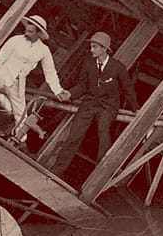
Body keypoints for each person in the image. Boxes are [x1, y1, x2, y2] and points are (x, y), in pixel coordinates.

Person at [46, 31, 137, 179]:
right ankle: (57, 170)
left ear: (104, 49)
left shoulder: (118, 67)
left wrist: (136, 108)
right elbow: (82, 86)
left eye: (95, 47)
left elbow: (128, 88)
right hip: (90, 103)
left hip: (108, 106)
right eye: (91, 47)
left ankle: (99, 174)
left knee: (103, 130)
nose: (91, 50)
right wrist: (70, 94)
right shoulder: (88, 64)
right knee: (75, 134)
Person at [0, 15, 70, 141]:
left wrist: (57, 90)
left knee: (21, 112)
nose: (26, 32)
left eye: (30, 31)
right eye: (26, 29)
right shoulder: (15, 40)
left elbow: (50, 72)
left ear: (38, 33)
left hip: (19, 81)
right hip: (4, 72)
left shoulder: (43, 50)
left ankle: (19, 141)